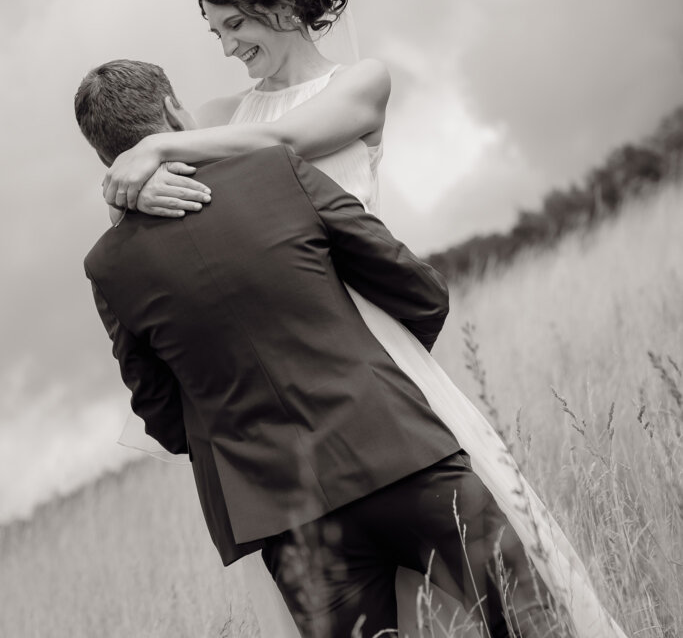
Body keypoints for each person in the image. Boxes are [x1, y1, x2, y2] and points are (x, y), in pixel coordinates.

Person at [98, 0, 629, 638]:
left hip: (372, 347)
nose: (226, 46)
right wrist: (139, 184)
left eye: (235, 23)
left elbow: (285, 144)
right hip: (286, 351)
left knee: (496, 578)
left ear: (283, 6)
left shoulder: (360, 81)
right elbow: (188, 225)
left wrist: (159, 148)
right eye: (215, 30)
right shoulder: (220, 112)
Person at [76, 58, 554, 638]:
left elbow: (162, 416)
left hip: (285, 517)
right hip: (402, 453)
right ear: (176, 110)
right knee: (530, 621)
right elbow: (420, 291)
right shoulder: (278, 171)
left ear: (106, 157)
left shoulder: (107, 266)